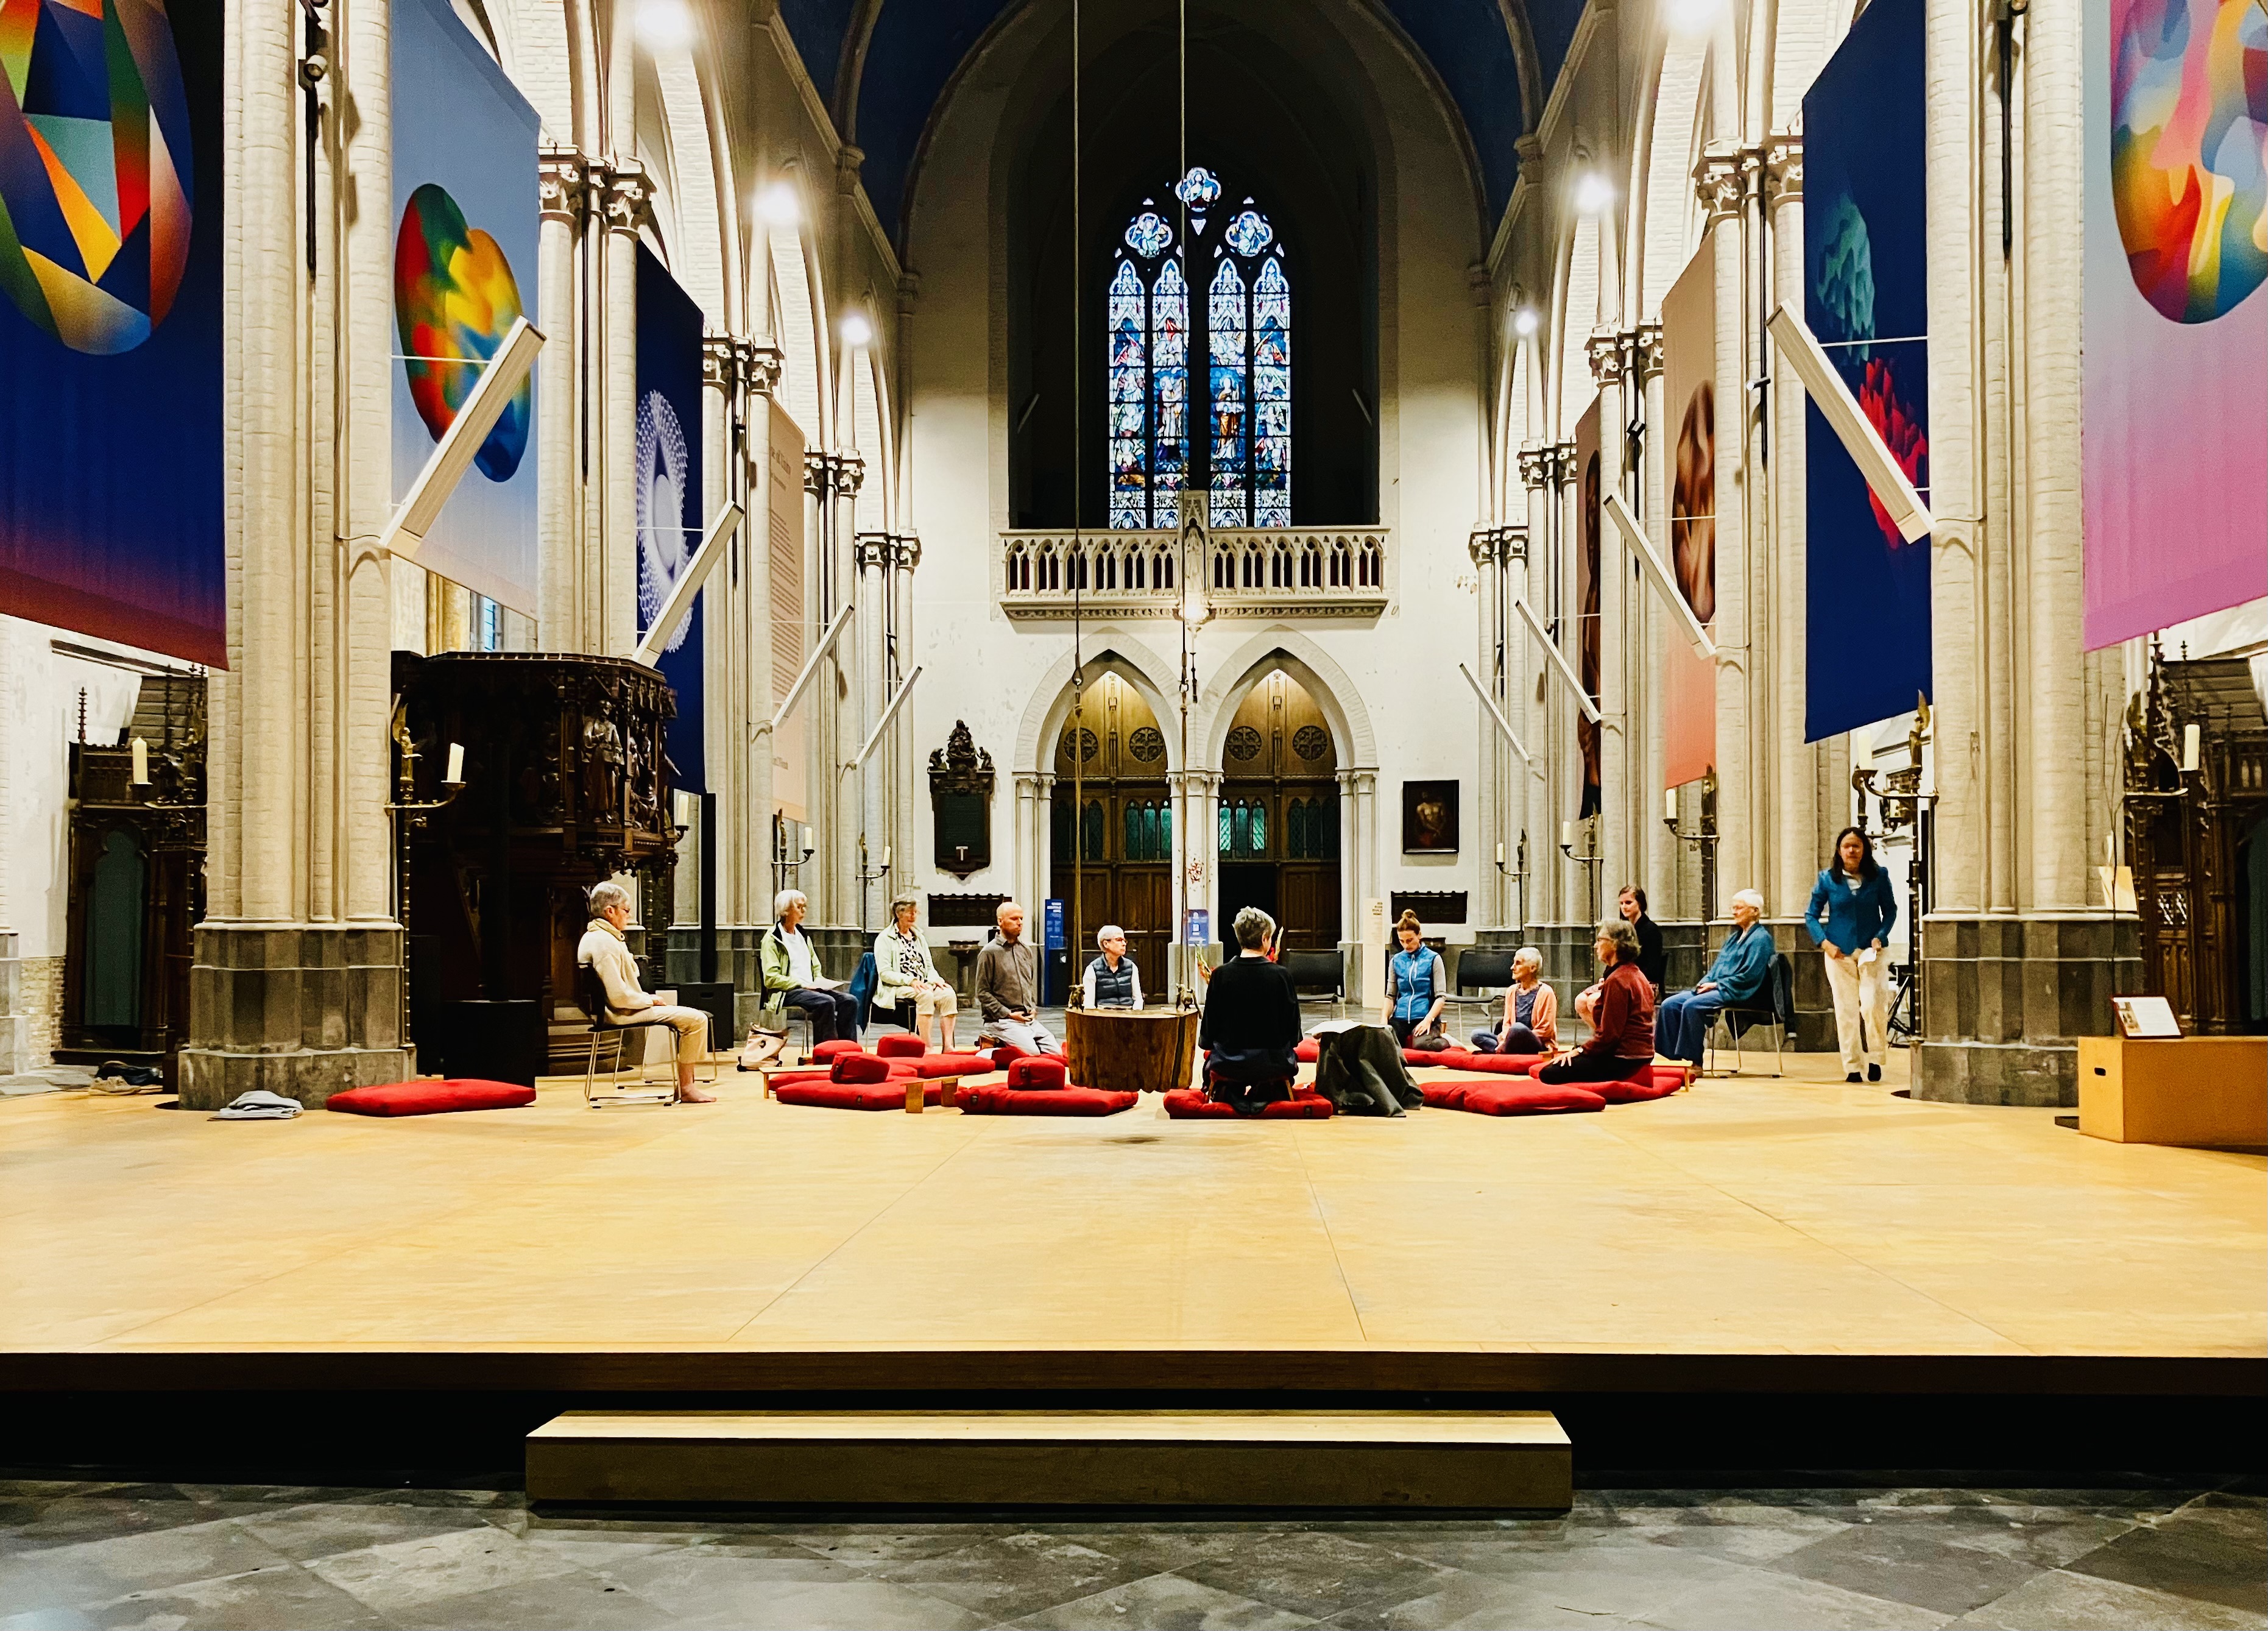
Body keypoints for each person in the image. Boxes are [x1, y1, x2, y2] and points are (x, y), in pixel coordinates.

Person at [578, 882, 715, 1101]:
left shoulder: (600, 937)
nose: (628, 916)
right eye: (626, 910)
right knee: (696, 1019)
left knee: (692, 1018)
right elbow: (618, 997)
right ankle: (687, 1087)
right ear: (610, 911)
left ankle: (686, 1085)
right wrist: (649, 1000)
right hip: (621, 1012)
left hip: (622, 1008)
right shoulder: (604, 943)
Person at [1807, 826, 1899, 1083]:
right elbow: (1811, 915)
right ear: (1839, 850)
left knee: (1872, 1006)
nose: (1851, 850)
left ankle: (1876, 1058)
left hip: (1872, 951)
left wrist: (1881, 935)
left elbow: (1890, 910)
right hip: (1839, 953)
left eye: (1857, 846)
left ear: (1864, 850)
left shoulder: (1879, 876)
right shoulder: (1827, 879)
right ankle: (1853, 1067)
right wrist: (1823, 943)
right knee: (1846, 1011)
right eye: (1847, 846)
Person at [1654, 888, 1777, 1068]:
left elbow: (1750, 975)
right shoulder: (1735, 937)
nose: (1734, 912)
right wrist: (1705, 982)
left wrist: (1717, 984)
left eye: (1739, 908)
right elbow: (1718, 966)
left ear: (1755, 911)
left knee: (1692, 1006)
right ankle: (1674, 1055)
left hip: (1738, 990)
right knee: (1670, 1004)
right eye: (1733, 908)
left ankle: (1696, 1062)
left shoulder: (1761, 939)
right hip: (1718, 987)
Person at [1198, 906, 1302, 1115]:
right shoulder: (1281, 976)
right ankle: (1266, 1090)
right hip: (1274, 1064)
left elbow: (1207, 1035)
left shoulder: (1220, 976)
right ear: (1265, 939)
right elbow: (1294, 1034)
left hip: (1229, 1063)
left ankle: (1231, 1091)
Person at [1538, 919, 1658, 1086]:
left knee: (1549, 1073)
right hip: (1639, 1055)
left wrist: (1581, 1051)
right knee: (1564, 1063)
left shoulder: (1618, 979)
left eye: (1601, 940)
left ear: (1615, 944)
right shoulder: (1634, 973)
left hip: (1624, 1060)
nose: (1596, 946)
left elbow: (1610, 1036)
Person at [761, 890, 860, 1045]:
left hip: (810, 988)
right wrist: (802, 984)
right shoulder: (772, 939)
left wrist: (819, 981)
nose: (804, 911)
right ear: (786, 910)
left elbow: (815, 966)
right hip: (788, 991)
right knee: (825, 1002)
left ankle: (847, 1049)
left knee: (850, 1001)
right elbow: (771, 978)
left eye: (805, 906)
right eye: (799, 907)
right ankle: (825, 1052)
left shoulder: (802, 934)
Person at [975, 900, 1061, 1055]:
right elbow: (982, 992)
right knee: (1033, 1053)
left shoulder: (1026, 951)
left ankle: (1008, 1044)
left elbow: (1028, 984)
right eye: (1014, 919)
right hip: (1002, 1020)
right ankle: (990, 1048)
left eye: (1021, 919)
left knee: (1056, 1053)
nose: (1020, 923)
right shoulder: (989, 953)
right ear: (1000, 921)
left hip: (1027, 1019)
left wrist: (1032, 1008)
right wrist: (1008, 1013)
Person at [874, 894, 958, 1050]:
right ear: (899, 914)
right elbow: (885, 973)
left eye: (915, 912)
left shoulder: (919, 937)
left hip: (923, 984)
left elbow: (930, 967)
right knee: (925, 996)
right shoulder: (885, 938)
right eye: (909, 912)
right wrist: (910, 981)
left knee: (948, 994)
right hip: (896, 987)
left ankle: (948, 1046)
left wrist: (936, 979)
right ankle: (926, 1046)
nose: (913, 916)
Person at [1471, 946, 1558, 1054]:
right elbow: (1506, 1024)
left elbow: (1546, 1031)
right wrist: (1504, 1040)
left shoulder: (1546, 992)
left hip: (1536, 1044)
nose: (1512, 967)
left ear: (1532, 968)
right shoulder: (1512, 991)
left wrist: (1514, 1038)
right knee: (1477, 1035)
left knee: (1518, 1029)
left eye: (1518, 963)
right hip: (1510, 1041)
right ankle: (1508, 1051)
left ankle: (1503, 1051)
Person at [1385, 911, 1449, 1047]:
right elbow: (1390, 995)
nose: (1406, 945)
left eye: (1410, 940)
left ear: (1419, 935)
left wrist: (1428, 1020)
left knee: (1422, 1045)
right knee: (1384, 1044)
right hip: (1400, 1018)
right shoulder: (1396, 960)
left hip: (1425, 1016)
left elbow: (1441, 997)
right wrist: (1384, 1019)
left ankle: (1446, 1041)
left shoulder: (1434, 959)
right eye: (1402, 941)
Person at [1081, 924, 1143, 1009]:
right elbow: (1089, 1004)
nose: (1124, 944)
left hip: (1129, 1015)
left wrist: (1136, 1014)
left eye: (1124, 940)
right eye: (1119, 940)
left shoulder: (1132, 967)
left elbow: (1138, 999)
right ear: (1106, 944)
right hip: (1104, 1016)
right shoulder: (1092, 969)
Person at [1619, 885, 1667, 992]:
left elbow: (1652, 969)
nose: (1624, 907)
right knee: (1582, 1000)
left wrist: (1624, 978)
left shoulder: (1651, 930)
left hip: (1645, 983)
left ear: (1640, 903)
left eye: (1628, 902)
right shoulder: (1623, 930)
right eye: (1621, 903)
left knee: (1592, 1001)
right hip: (1624, 979)